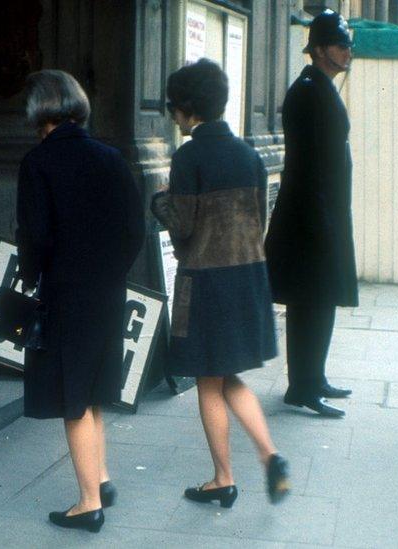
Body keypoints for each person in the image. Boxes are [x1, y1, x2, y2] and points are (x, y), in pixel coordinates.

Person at [151, 59, 289, 508]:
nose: (172, 116)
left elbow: (184, 226)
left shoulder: (190, 155)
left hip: (206, 285)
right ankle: (269, 455)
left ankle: (223, 478)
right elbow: (257, 220)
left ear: (188, 108)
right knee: (226, 374)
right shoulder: (249, 155)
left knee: (208, 383)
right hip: (247, 279)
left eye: (173, 107)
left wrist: (160, 203)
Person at [16, 70, 145, 531]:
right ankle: (103, 478)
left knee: (72, 399)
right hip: (108, 292)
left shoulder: (37, 164)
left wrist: (32, 277)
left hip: (65, 295)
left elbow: (36, 237)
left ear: (38, 112)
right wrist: (111, 272)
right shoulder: (112, 158)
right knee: (93, 391)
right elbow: (136, 230)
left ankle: (89, 502)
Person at [264, 9, 356, 418]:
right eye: (340, 45)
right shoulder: (309, 90)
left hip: (320, 213)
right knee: (311, 299)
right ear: (319, 50)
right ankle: (302, 386)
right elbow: (311, 167)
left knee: (320, 299)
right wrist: (324, 224)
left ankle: (312, 377)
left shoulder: (318, 86)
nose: (347, 52)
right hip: (311, 218)